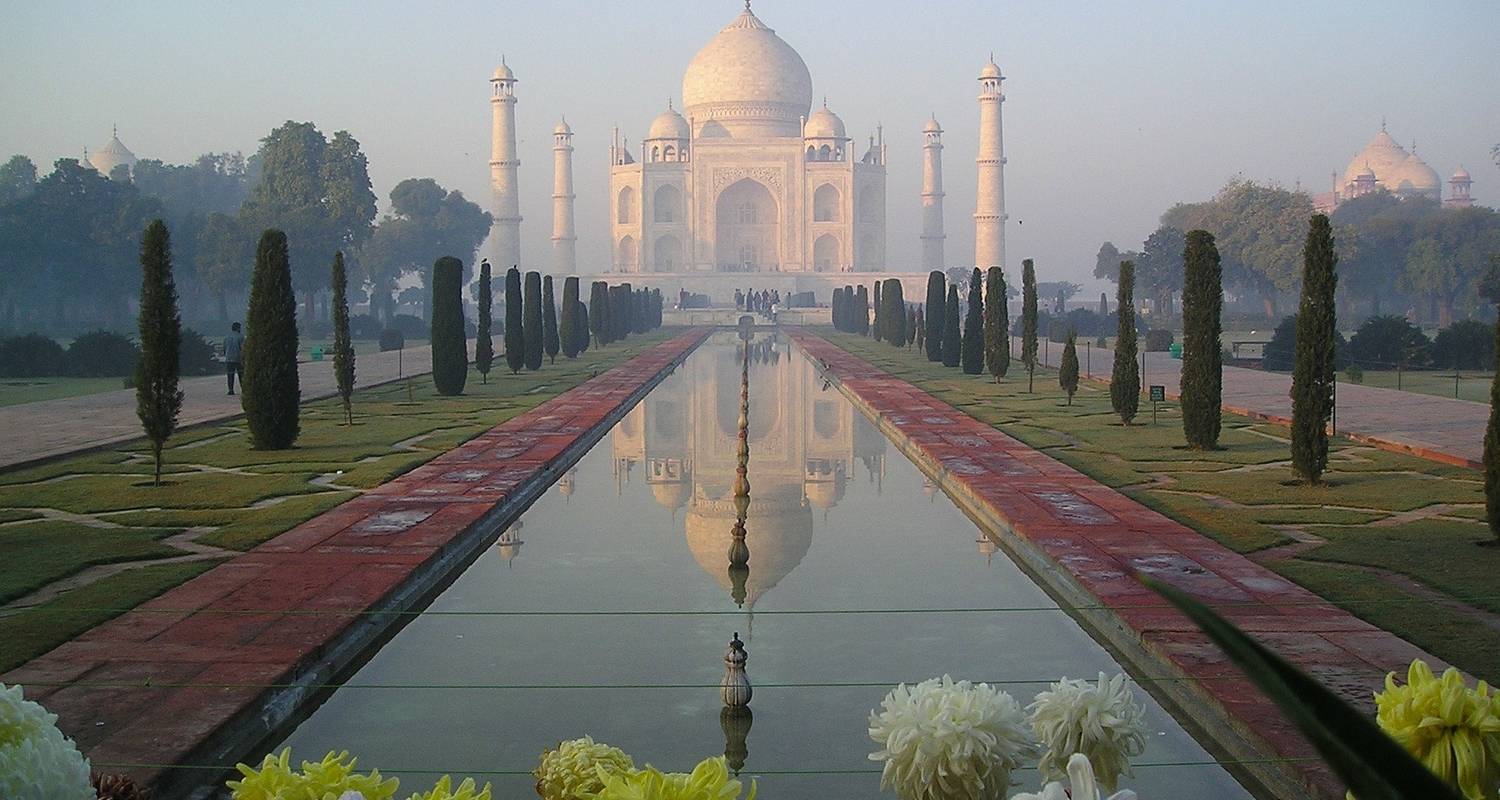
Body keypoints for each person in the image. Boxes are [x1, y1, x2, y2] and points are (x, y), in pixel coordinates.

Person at [223, 323, 244, 395]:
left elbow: (224, 348)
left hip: (229, 358)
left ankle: (231, 390)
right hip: (238, 358)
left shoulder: (227, 336)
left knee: (230, 374)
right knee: (241, 374)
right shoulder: (240, 336)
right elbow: (242, 348)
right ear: (238, 328)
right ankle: (244, 389)